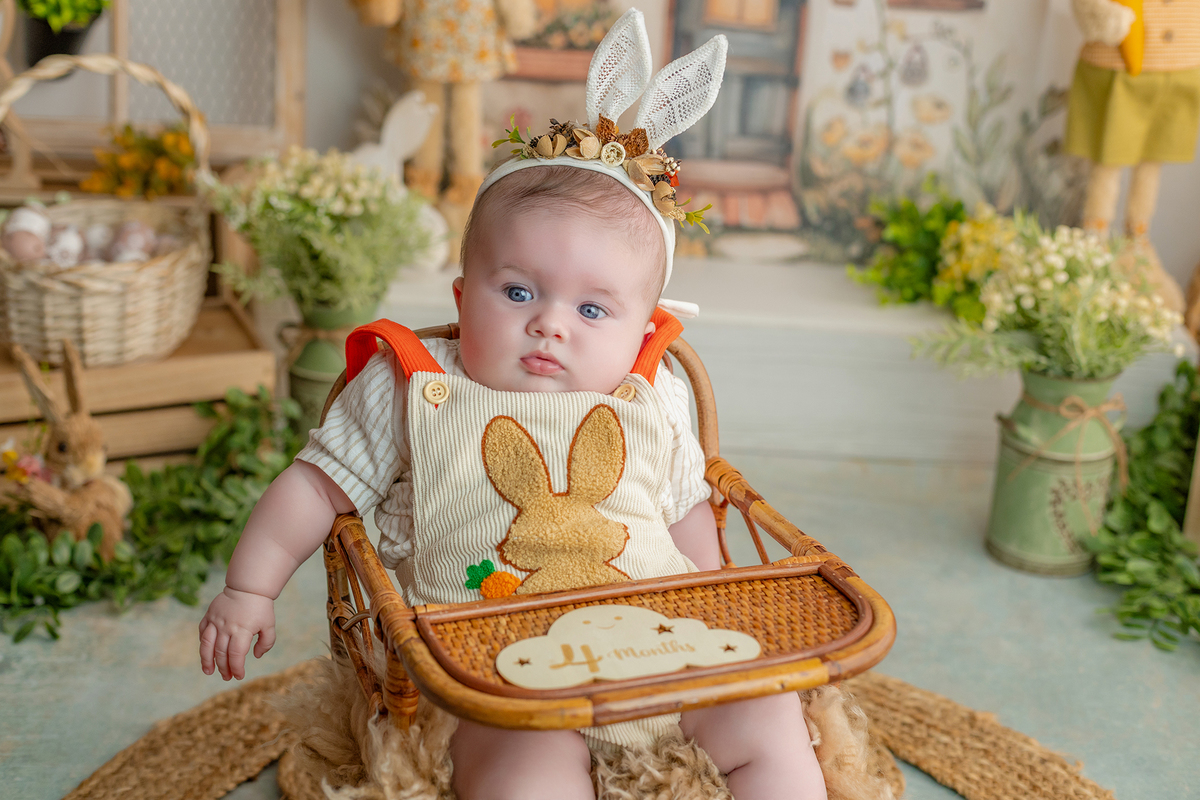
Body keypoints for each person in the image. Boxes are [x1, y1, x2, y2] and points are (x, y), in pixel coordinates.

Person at [199, 10, 827, 799]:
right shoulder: (416, 386)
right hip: (497, 671)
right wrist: (248, 588)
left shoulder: (650, 394)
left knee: (766, 719)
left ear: (642, 327)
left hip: (659, 647)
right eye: (519, 290)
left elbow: (688, 514)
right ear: (463, 297)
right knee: (521, 770)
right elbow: (313, 486)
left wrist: (717, 614)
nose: (551, 323)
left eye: (593, 311)